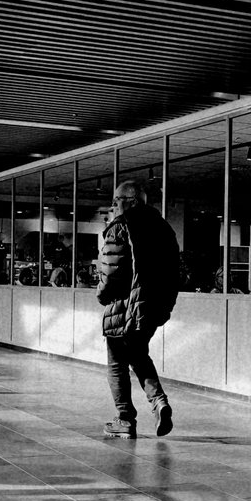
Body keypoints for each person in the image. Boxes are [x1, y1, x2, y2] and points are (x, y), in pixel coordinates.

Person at [96, 179, 179, 438]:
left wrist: (102, 295)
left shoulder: (120, 227)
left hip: (124, 306)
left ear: (130, 201)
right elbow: (175, 272)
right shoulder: (164, 228)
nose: (114, 206)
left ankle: (125, 419)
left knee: (117, 363)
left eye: (117, 201)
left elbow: (111, 272)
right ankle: (158, 401)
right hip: (153, 307)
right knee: (138, 354)